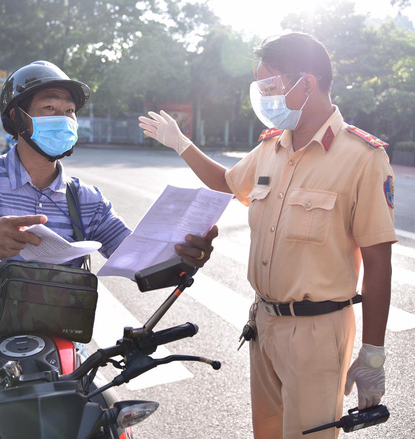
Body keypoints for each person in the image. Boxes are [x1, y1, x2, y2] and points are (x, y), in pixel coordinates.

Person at [138, 33, 396, 439]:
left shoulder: (362, 158)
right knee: (268, 433)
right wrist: (181, 143)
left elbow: (379, 261)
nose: (265, 98)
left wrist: (374, 354)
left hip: (317, 331)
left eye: (271, 87)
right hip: (264, 323)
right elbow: (226, 181)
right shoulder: (271, 148)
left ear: (306, 84)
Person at [0, 60, 218, 352]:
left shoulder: (87, 200)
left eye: (69, 111)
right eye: (49, 108)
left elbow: (139, 261)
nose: (63, 118)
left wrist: (184, 256)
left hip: (62, 363)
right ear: (17, 117)